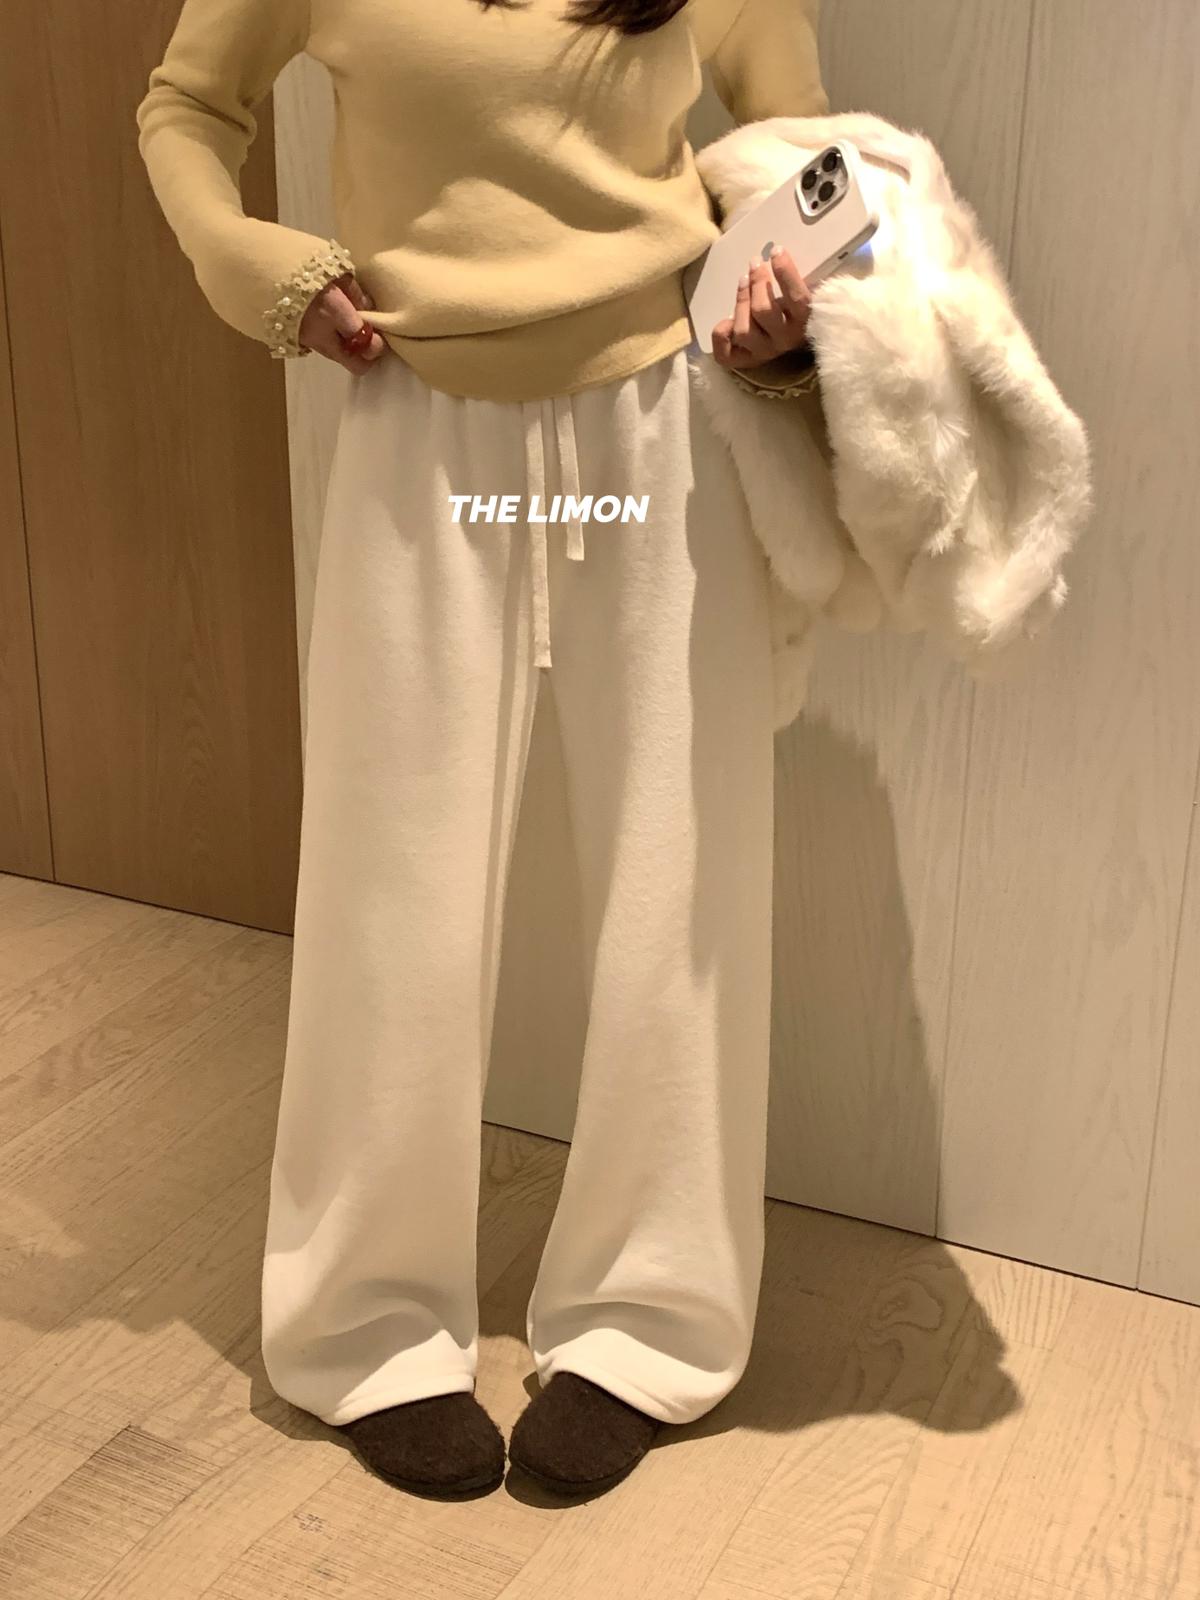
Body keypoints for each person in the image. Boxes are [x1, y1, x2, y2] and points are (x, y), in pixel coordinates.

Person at [135, 0, 828, 1501]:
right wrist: (257, 267)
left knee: (681, 882)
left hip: (663, 423)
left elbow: (798, 145)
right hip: (422, 414)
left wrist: (783, 299)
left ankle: (652, 1320)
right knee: (393, 888)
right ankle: (367, 1326)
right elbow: (186, 105)